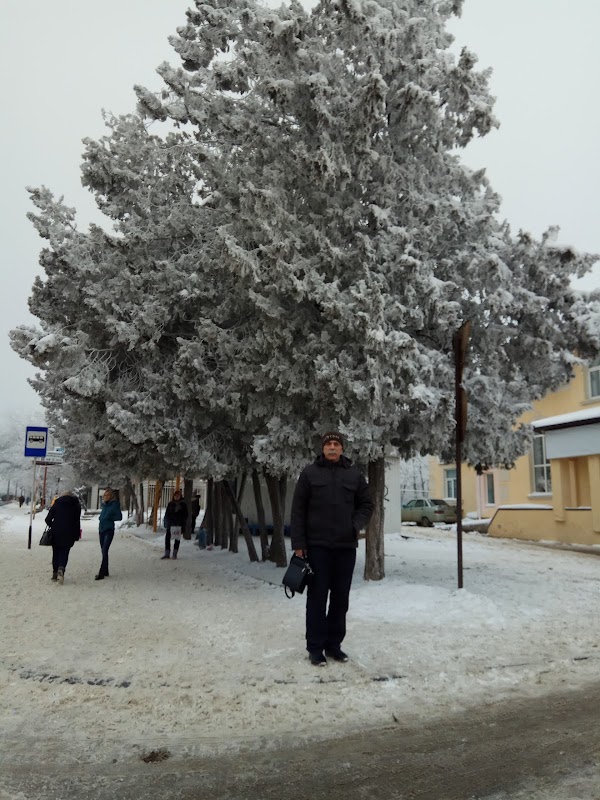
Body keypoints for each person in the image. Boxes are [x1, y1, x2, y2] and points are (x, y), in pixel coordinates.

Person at [290, 432, 374, 666]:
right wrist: (299, 544)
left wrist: (355, 525)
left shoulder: (354, 475)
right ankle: (315, 648)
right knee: (317, 598)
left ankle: (334, 645)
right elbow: (298, 511)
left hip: (345, 548)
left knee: (340, 599)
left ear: (342, 448)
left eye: (336, 444)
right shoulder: (309, 474)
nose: (332, 448)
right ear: (322, 448)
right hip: (317, 548)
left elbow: (367, 504)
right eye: (329, 444)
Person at [45, 490, 82, 584]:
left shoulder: (57, 503)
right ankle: (61, 569)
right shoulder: (76, 505)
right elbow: (77, 521)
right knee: (65, 552)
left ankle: (54, 573)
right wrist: (76, 534)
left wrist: (53, 525)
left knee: (56, 552)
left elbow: (48, 519)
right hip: (70, 532)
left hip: (56, 532)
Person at [95, 488, 122, 580]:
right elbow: (103, 515)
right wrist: (101, 518)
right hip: (101, 529)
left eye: (107, 495)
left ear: (111, 496)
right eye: (104, 495)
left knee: (105, 550)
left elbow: (119, 517)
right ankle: (105, 570)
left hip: (109, 530)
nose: (105, 497)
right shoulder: (104, 505)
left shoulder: (114, 505)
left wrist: (109, 518)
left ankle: (101, 572)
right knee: (103, 550)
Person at [162, 489, 188, 560]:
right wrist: (167, 522)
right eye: (175, 496)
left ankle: (174, 554)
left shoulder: (183, 505)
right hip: (170, 524)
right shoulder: (170, 504)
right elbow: (167, 514)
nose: (176, 497)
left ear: (180, 496)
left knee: (177, 539)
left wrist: (182, 523)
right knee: (167, 538)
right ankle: (167, 553)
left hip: (178, 524)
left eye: (178, 496)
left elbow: (185, 515)